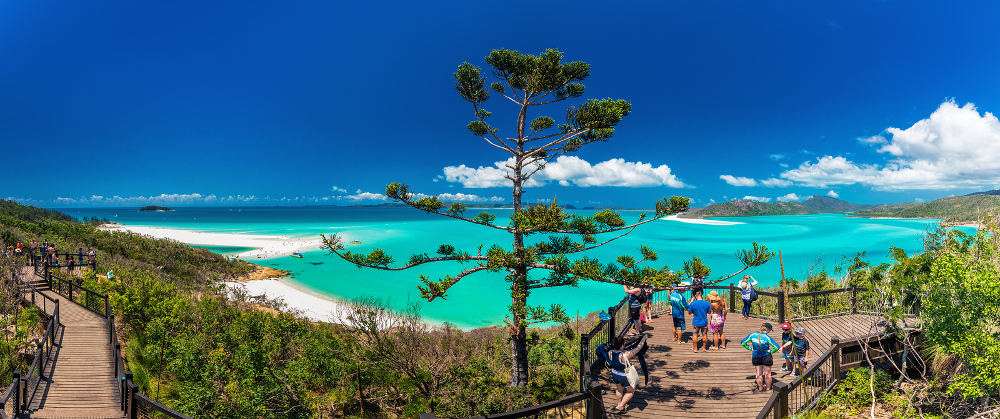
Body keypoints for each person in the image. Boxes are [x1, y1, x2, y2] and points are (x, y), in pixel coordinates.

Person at [606, 335, 648, 414]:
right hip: (625, 375)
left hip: (615, 374)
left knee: (619, 389)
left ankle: (619, 403)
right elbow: (638, 348)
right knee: (630, 391)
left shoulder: (609, 353)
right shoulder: (625, 355)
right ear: (622, 345)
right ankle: (620, 406)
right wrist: (643, 338)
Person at [741, 322, 781, 392]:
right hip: (766, 356)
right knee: (768, 374)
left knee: (758, 373)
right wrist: (770, 352)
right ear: (768, 330)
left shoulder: (752, 335)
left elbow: (743, 342)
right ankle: (768, 388)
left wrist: (750, 348)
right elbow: (776, 347)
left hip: (756, 355)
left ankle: (760, 388)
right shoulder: (767, 337)